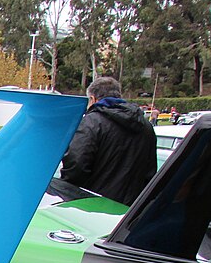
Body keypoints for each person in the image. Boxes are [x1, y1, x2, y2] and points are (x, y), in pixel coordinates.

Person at [59, 76, 156, 206]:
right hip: (128, 209)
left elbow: (76, 164)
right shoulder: (146, 126)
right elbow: (150, 171)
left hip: (91, 204)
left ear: (92, 99)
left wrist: (68, 191)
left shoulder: (91, 122)